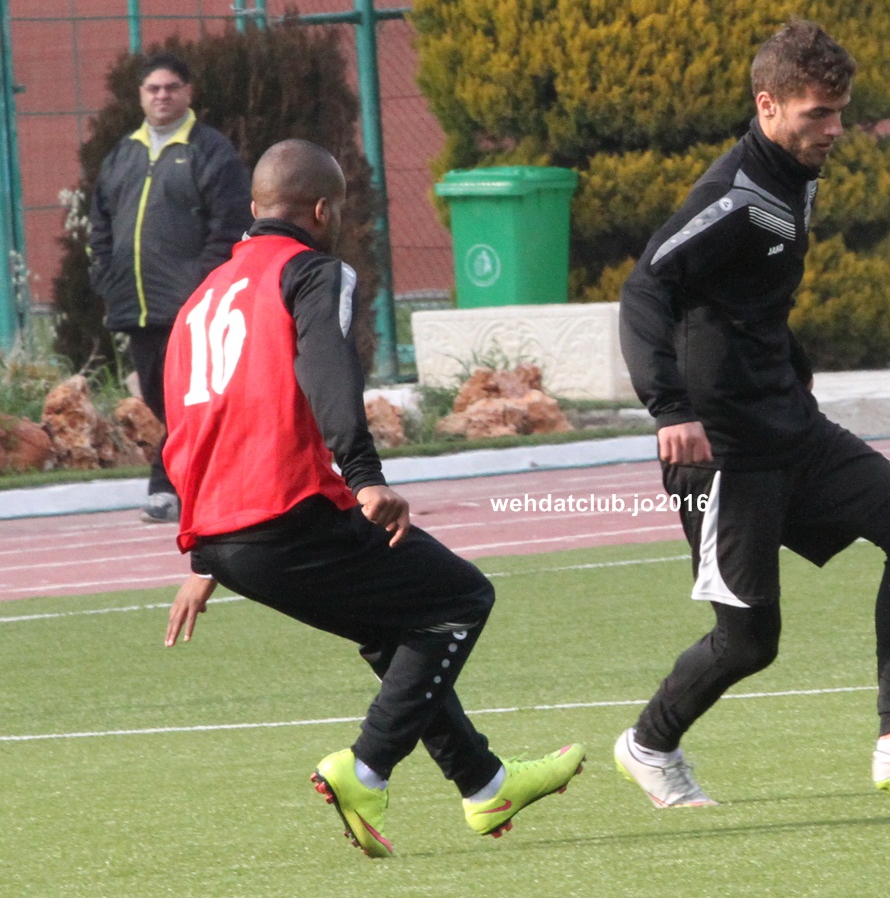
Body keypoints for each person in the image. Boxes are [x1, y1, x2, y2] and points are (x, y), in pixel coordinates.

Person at [161, 139, 584, 858]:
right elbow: (328, 369)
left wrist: (204, 555)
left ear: (255, 207)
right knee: (461, 599)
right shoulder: (311, 271)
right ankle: (365, 769)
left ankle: (485, 785)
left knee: (395, 629)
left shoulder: (201, 299)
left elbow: (190, 422)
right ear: (324, 210)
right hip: (288, 515)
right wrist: (364, 476)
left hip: (224, 536)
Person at [614, 19, 890, 807]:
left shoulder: (796, 173)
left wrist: (790, 368)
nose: (834, 129)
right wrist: (669, 408)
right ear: (768, 106)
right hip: (724, 452)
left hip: (792, 427)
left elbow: (746, 302)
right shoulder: (732, 196)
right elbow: (646, 287)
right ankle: (649, 744)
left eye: (839, 112)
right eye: (817, 114)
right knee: (748, 642)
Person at [88, 52, 253, 523]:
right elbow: (101, 223)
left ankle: (166, 488)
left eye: (171, 87)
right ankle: (213, 481)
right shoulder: (123, 154)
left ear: (188, 91)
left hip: (191, 308)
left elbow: (229, 224)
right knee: (161, 402)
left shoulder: (210, 151)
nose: (162, 96)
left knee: (186, 400)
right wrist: (106, 276)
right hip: (136, 307)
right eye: (153, 89)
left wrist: (202, 287)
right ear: (141, 96)